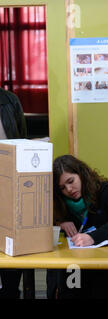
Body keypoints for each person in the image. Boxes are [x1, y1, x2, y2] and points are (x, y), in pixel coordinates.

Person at [47, 155, 108, 299]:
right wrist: (59, 222)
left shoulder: (103, 190)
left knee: (101, 291)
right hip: (76, 265)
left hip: (106, 265)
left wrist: (93, 237)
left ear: (81, 174)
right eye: (62, 187)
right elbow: (43, 219)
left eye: (71, 181)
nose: (69, 189)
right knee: (71, 291)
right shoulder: (60, 202)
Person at [0, 87, 27, 299]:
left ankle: (11, 292)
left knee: (10, 242)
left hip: (7, 182)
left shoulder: (9, 100)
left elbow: (21, 139)